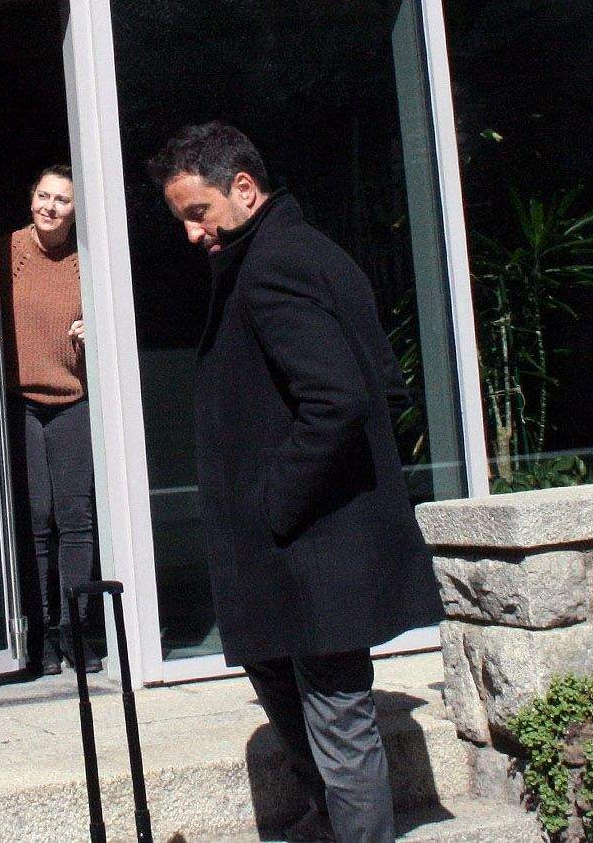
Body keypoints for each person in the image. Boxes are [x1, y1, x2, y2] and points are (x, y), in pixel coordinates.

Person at [147, 122, 444, 843]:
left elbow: (338, 397)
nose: (191, 234)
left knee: (338, 723)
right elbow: (383, 385)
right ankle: (324, 825)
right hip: (303, 545)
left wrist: (273, 500)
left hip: (311, 545)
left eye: (197, 213)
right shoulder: (301, 251)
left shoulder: (274, 263)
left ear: (243, 189)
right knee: (294, 691)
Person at [5, 164, 97, 675]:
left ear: (76, 210)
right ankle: (38, 634)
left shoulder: (87, 261)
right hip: (20, 404)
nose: (50, 207)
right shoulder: (3, 252)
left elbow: (113, 324)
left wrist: (95, 331)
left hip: (73, 400)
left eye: (62, 200)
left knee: (76, 523)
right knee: (37, 524)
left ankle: (77, 632)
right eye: (43, 195)